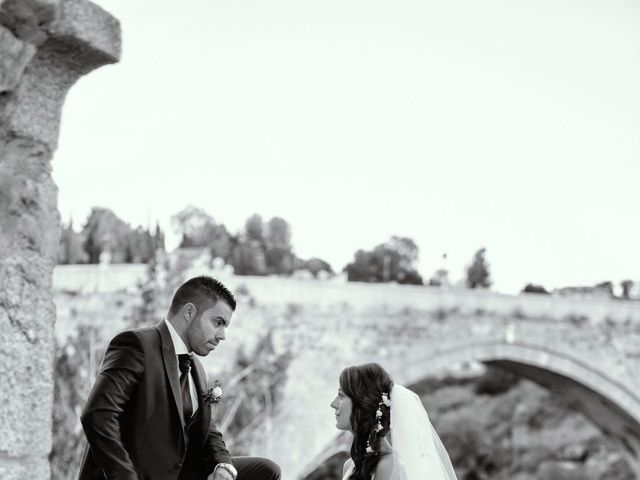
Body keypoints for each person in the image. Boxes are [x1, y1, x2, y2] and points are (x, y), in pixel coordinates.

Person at [78, 275, 281, 480]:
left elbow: (207, 428)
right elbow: (98, 415)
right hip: (138, 474)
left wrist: (222, 465)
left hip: (181, 473)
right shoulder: (138, 345)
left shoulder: (197, 369)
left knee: (266, 471)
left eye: (225, 326)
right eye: (218, 322)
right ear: (190, 312)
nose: (222, 335)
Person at [330, 363, 457, 480]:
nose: (333, 404)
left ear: (363, 403)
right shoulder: (350, 466)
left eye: (341, 395)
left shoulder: (389, 467)